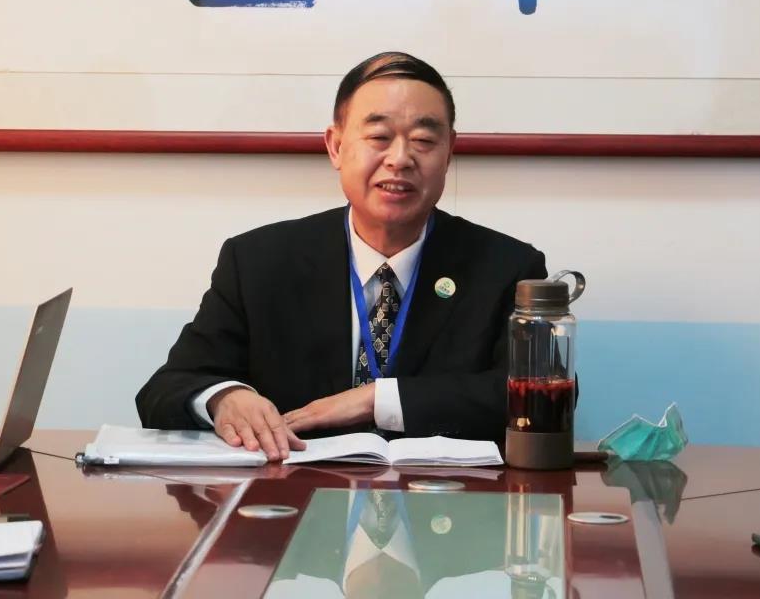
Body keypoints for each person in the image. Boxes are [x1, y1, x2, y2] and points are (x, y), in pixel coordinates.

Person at [136, 51, 547, 459]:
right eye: (379, 137)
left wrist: (378, 400)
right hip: (292, 493)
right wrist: (224, 398)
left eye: (423, 140)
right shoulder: (258, 262)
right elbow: (167, 389)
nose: (400, 159)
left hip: (445, 496)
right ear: (335, 146)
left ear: (449, 151)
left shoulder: (507, 268)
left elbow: (538, 396)